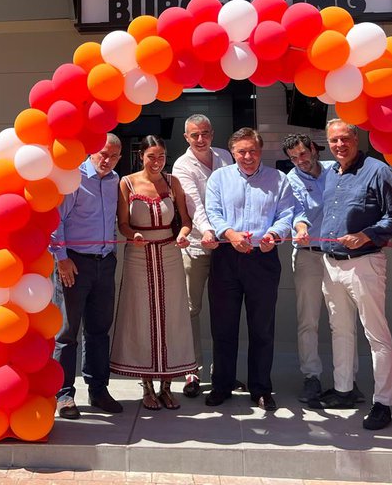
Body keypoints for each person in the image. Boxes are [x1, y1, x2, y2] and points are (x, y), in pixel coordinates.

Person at [307, 119, 392, 432]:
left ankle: (384, 403)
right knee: (340, 330)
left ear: (356, 137)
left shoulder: (377, 171)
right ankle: (342, 390)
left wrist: (366, 234)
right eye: (334, 141)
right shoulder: (330, 174)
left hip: (364, 263)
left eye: (344, 139)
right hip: (331, 264)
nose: (339, 146)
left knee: (376, 335)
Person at [204, 128, 300, 411]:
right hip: (226, 256)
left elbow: (286, 214)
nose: (248, 157)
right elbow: (213, 211)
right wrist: (230, 234)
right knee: (223, 327)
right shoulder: (219, 178)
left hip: (263, 259)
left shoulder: (278, 179)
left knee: (262, 328)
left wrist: (274, 234)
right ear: (233, 153)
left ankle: (260, 388)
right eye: (241, 152)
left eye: (253, 151)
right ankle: (222, 385)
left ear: (261, 151)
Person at [111, 135, 198, 410]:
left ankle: (167, 386)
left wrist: (184, 235)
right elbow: (122, 223)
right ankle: (146, 385)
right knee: (141, 316)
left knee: (172, 315)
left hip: (169, 253)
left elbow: (185, 220)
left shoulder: (173, 183)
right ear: (141, 156)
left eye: (161, 156)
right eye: (152, 156)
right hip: (138, 254)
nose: (157, 161)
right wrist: (133, 234)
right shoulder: (126, 183)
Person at [283, 133, 362, 406]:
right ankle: (311, 377)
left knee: (343, 320)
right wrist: (301, 228)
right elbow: (296, 213)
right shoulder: (291, 179)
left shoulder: (336, 170)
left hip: (339, 256)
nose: (300, 161)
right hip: (308, 256)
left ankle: (348, 380)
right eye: (293, 158)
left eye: (303, 154)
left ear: (314, 150)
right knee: (308, 321)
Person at [51, 134, 125, 419]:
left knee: (98, 330)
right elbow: (56, 220)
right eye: (103, 154)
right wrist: (62, 260)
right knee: (68, 332)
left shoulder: (114, 180)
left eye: (113, 156)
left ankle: (98, 389)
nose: (107, 160)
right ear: (92, 151)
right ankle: (64, 395)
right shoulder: (74, 178)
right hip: (75, 264)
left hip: (105, 263)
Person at [171, 114, 233, 398]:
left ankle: (223, 373)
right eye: (194, 135)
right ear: (186, 137)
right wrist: (209, 231)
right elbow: (194, 202)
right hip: (198, 245)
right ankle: (191, 370)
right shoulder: (182, 165)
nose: (200, 139)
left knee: (224, 311)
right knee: (191, 309)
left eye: (205, 133)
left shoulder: (225, 157)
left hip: (226, 246)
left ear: (212, 133)